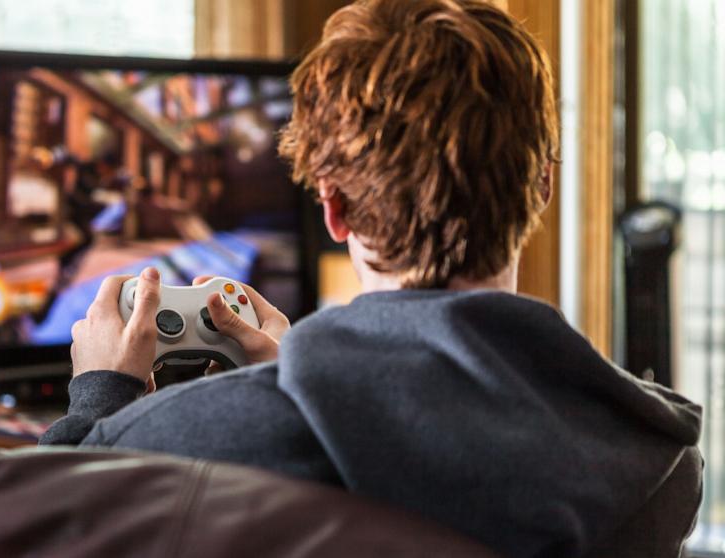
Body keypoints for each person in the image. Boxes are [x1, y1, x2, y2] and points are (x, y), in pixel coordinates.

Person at [40, 1, 703, 556]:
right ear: (542, 186)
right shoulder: (660, 460)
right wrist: (299, 374)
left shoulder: (190, 446)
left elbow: (38, 529)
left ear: (333, 205)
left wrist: (100, 400)